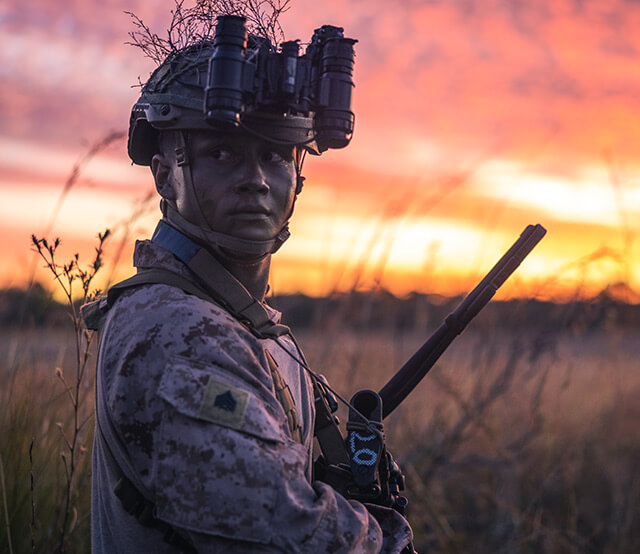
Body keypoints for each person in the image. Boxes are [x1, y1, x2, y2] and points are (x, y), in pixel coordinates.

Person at [84, 14, 413, 553]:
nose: (256, 180)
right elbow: (289, 536)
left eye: (276, 155)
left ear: (299, 174)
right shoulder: (178, 331)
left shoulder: (251, 326)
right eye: (222, 153)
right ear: (165, 173)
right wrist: (388, 536)